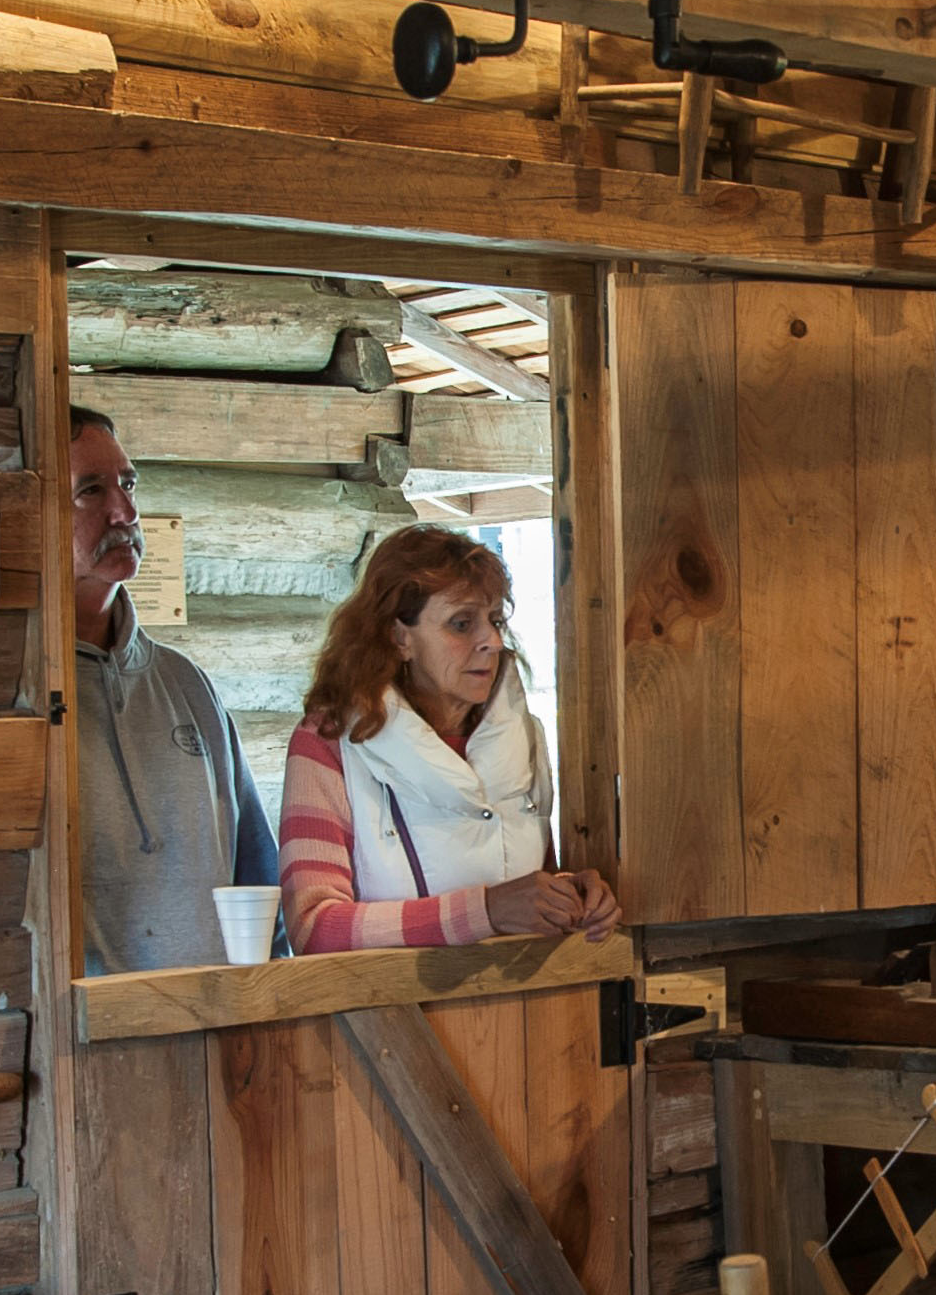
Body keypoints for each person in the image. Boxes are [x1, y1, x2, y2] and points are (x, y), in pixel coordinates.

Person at [279, 525, 622, 949]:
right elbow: (315, 927)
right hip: (396, 1014)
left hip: (527, 1012)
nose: (492, 642)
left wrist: (571, 898)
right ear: (400, 637)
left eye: (495, 620)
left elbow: (527, 884)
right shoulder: (328, 744)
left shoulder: (523, 735)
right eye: (462, 624)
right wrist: (486, 912)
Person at [68, 406, 283, 973]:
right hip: (86, 1045)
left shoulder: (186, 685)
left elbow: (257, 874)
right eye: (90, 491)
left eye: (128, 483)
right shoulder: (22, 699)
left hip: (215, 1038)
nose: (126, 511)